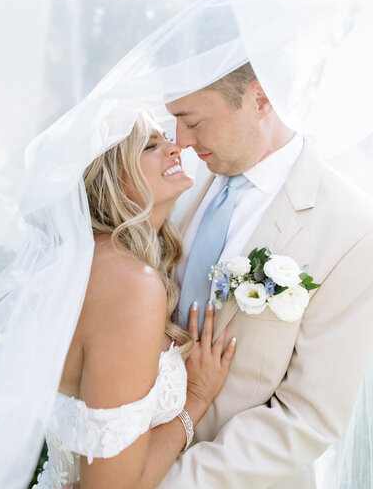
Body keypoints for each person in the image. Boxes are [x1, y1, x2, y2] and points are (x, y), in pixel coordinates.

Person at [153, 62, 373, 488]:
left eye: (192, 121)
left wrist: (158, 481)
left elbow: (307, 418)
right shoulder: (176, 179)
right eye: (174, 120)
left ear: (260, 98)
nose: (180, 140)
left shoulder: (352, 228)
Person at [34, 110, 236, 489]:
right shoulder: (131, 284)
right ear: (111, 177)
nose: (176, 149)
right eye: (151, 146)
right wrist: (194, 400)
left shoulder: (92, 263)